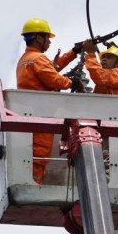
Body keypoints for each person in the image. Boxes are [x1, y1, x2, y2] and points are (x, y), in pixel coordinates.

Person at [17, 17, 81, 184]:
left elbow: (52, 68)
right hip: (41, 115)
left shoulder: (27, 58)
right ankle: (34, 186)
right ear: (39, 38)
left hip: (31, 114)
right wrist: (71, 82)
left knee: (34, 155)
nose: (50, 42)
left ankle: (34, 184)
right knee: (39, 155)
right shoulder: (38, 58)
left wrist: (74, 51)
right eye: (48, 38)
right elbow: (53, 79)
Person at [82, 40, 118, 179]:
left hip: (110, 126)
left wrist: (90, 54)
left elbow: (100, 77)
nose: (103, 60)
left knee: (106, 163)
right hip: (101, 127)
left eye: (109, 57)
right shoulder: (107, 80)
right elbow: (97, 101)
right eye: (103, 57)